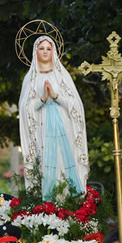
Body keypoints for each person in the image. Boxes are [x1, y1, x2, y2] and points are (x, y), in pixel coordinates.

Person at [18, 35, 88, 196]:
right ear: (35, 52)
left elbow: (76, 105)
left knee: (64, 162)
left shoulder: (62, 76)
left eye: (48, 49)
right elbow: (25, 108)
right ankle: (46, 202)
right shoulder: (30, 79)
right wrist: (42, 99)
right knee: (43, 163)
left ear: (54, 52)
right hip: (41, 128)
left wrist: (56, 96)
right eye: (41, 48)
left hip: (63, 125)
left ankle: (68, 198)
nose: (45, 52)